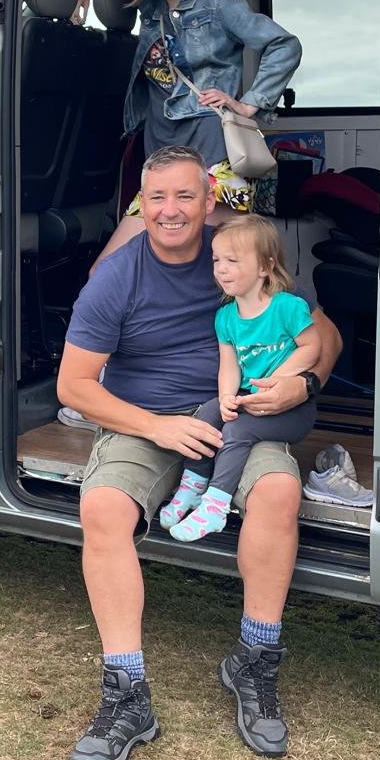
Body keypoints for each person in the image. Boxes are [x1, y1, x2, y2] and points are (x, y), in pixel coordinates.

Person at [57, 146, 342, 760]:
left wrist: (304, 383)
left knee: (277, 494)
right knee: (103, 509)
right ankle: (127, 695)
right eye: (156, 198)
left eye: (185, 196)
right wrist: (159, 426)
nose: (170, 211)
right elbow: (74, 387)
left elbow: (325, 337)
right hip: (146, 422)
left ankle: (254, 662)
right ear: (140, 203)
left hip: (244, 416)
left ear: (208, 201)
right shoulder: (117, 276)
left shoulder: (240, 254)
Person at [78, 0, 301, 271]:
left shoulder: (219, 3)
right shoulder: (150, 4)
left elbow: (284, 45)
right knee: (105, 271)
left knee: (223, 272)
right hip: (162, 155)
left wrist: (249, 104)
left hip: (211, 155)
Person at [159, 215, 320, 542]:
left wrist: (278, 380)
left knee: (237, 430)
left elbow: (312, 347)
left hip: (291, 409)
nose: (221, 268)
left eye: (232, 261)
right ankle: (193, 484)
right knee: (207, 415)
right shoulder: (226, 317)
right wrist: (227, 396)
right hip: (248, 397)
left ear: (265, 266)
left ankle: (215, 505)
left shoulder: (287, 307)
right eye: (217, 260)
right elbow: (229, 366)